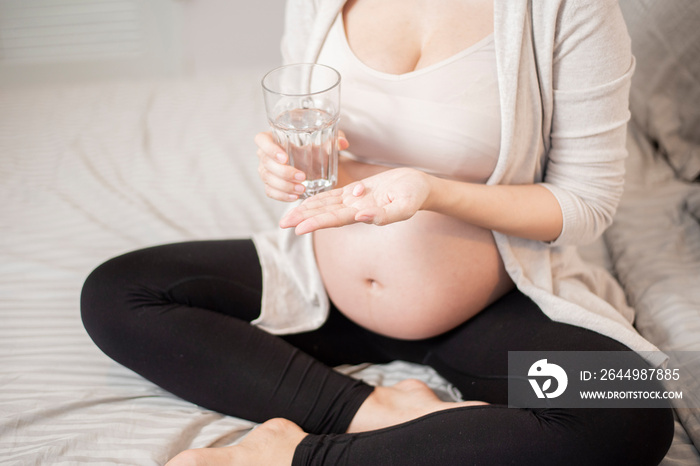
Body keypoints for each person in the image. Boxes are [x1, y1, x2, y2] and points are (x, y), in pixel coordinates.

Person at [80, 0, 675, 464]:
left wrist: (433, 191)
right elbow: (314, 143)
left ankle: (300, 457)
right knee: (117, 292)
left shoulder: (567, 9)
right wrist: (286, 165)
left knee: (626, 406)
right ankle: (371, 410)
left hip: (483, 310)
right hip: (321, 289)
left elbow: (585, 204)